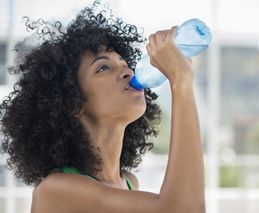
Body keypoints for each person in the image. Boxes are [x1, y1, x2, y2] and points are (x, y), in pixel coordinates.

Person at [0, 1, 205, 212]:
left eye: (125, 64)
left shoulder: (128, 183)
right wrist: (180, 82)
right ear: (73, 102)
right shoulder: (56, 189)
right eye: (103, 67)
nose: (128, 72)